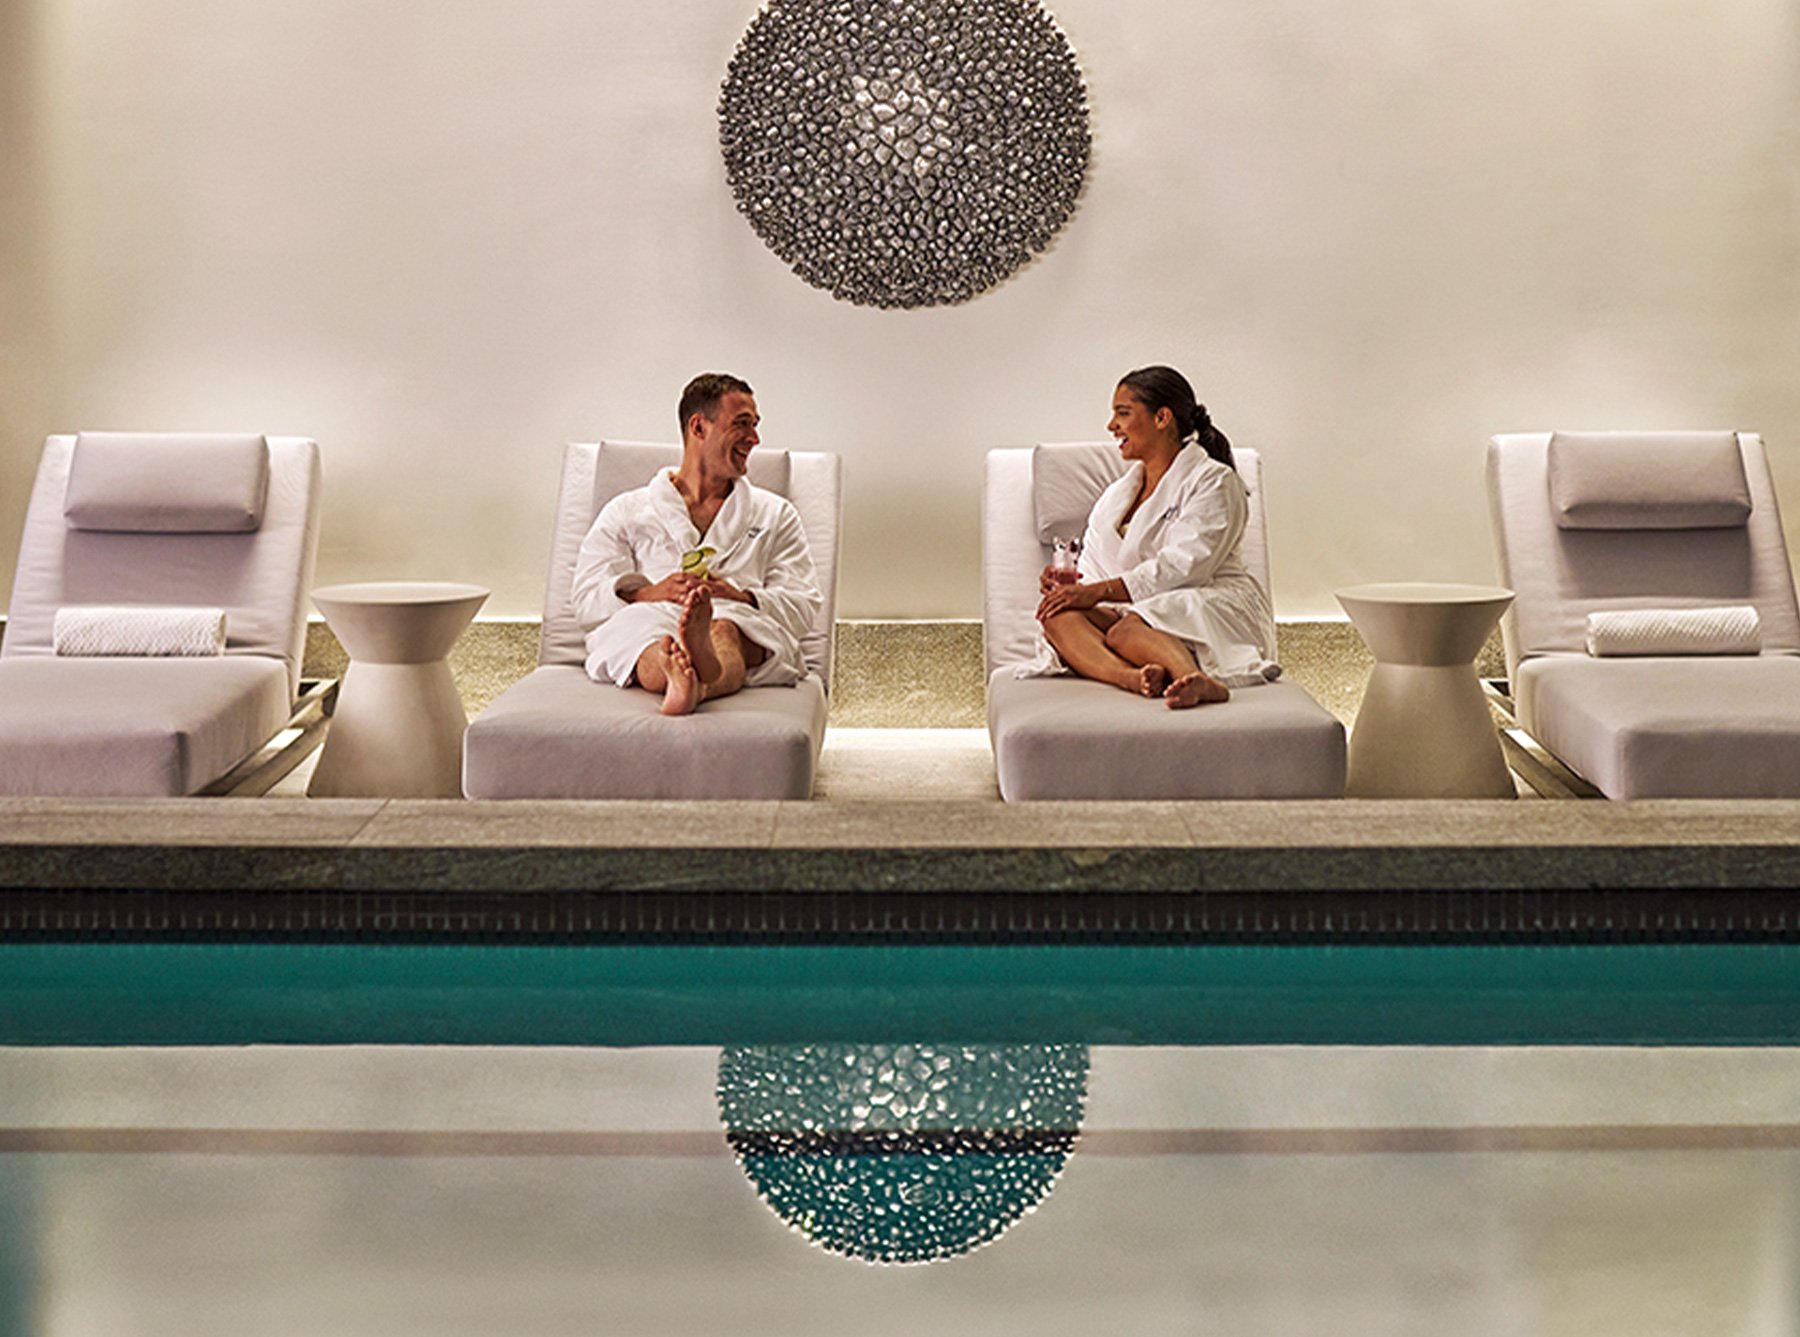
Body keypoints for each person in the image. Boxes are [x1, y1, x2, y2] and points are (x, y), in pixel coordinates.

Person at [570, 373, 822, 715]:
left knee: (727, 631)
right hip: (650, 618)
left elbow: (803, 603)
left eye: (755, 425)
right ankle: (684, 673)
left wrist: (741, 596)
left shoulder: (776, 514)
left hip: (737, 619)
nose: (754, 438)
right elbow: (585, 595)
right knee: (646, 642)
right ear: (699, 428)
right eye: (742, 424)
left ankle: (689, 679)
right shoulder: (627, 510)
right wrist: (649, 593)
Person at [1031, 365, 1279, 708]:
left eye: (1123, 413)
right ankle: (1132, 677)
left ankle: (1197, 679)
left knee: (1128, 629)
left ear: (1162, 418)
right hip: (1133, 609)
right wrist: (1070, 591)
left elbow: (1187, 566)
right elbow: (1093, 570)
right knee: (1054, 615)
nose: (1111, 426)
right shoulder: (1116, 496)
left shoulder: (1214, 481)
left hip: (1205, 599)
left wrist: (1096, 592)